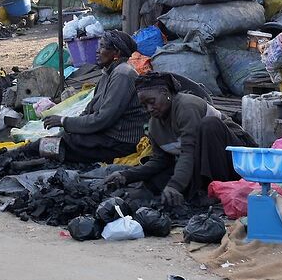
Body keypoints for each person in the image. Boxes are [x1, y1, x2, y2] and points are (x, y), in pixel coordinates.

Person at [0, 30, 148, 165]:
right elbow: (91, 108)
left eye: (103, 47)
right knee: (56, 140)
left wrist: (64, 121)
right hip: (106, 136)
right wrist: (73, 124)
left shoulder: (123, 74)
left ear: (116, 53)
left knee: (56, 144)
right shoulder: (110, 72)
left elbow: (103, 119)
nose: (98, 51)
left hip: (118, 142)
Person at [104, 72, 257, 206]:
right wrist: (126, 175)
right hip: (198, 161)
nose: (149, 109)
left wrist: (175, 185)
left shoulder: (186, 106)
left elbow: (188, 151)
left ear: (165, 92)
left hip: (235, 160)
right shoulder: (154, 125)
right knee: (155, 183)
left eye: (151, 102)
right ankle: (199, 188)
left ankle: (214, 190)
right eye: (144, 105)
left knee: (209, 125)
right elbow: (160, 160)